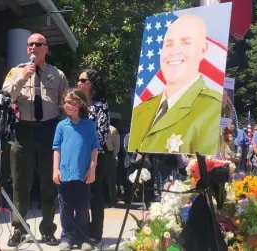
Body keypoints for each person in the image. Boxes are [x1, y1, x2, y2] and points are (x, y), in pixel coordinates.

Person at [2, 33, 68, 246]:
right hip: (23, 131)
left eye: (38, 44)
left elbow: (66, 104)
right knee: (20, 182)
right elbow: (6, 97)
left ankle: (48, 229)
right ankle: (19, 229)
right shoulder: (15, 71)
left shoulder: (57, 74)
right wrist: (23, 77)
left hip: (49, 130)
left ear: (46, 48)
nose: (33, 48)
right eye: (30, 44)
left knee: (49, 183)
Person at [129, 14, 222, 155]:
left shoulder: (213, 108)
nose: (174, 52)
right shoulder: (140, 110)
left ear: (202, 50)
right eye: (169, 44)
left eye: (186, 43)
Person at [52, 88, 99, 251]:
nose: (66, 105)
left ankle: (83, 237)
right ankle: (66, 237)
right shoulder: (61, 126)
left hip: (83, 174)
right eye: (65, 102)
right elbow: (56, 148)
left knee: (83, 207)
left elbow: (94, 149)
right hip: (65, 174)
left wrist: (92, 169)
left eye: (70, 103)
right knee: (65, 207)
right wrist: (55, 169)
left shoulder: (89, 125)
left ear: (79, 105)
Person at [77, 69, 110, 243]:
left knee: (95, 194)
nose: (79, 83)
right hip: (78, 156)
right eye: (78, 80)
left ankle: (95, 232)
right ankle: (80, 230)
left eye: (83, 80)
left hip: (96, 156)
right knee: (80, 195)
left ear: (92, 84)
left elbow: (101, 134)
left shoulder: (101, 105)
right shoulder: (78, 105)